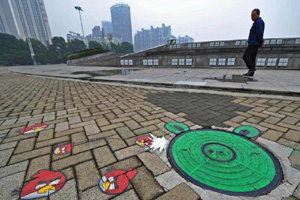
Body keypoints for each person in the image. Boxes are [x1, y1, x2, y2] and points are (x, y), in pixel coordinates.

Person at [243, 8, 265, 76]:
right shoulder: (256, 22)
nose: (252, 17)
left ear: (258, 15)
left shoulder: (259, 22)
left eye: (254, 15)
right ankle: (251, 72)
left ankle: (252, 68)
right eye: (251, 15)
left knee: (245, 56)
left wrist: (261, 42)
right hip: (253, 42)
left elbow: (260, 33)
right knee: (252, 57)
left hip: (254, 43)